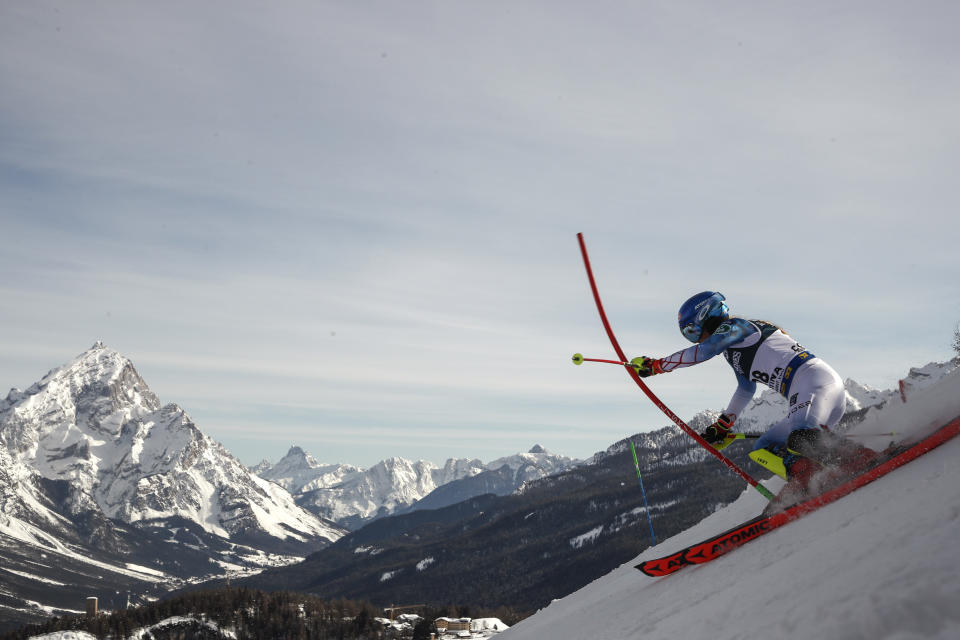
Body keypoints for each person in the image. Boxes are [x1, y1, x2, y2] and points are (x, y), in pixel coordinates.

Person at [630, 291, 878, 491]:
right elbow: (745, 389)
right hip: (805, 396)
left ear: (709, 315)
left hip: (814, 382)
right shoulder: (733, 351)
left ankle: (864, 459)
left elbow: (705, 351)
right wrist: (724, 425)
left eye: (692, 331)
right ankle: (809, 478)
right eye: (688, 335)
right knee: (764, 447)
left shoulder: (737, 327)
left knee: (802, 438)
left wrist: (658, 366)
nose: (694, 339)